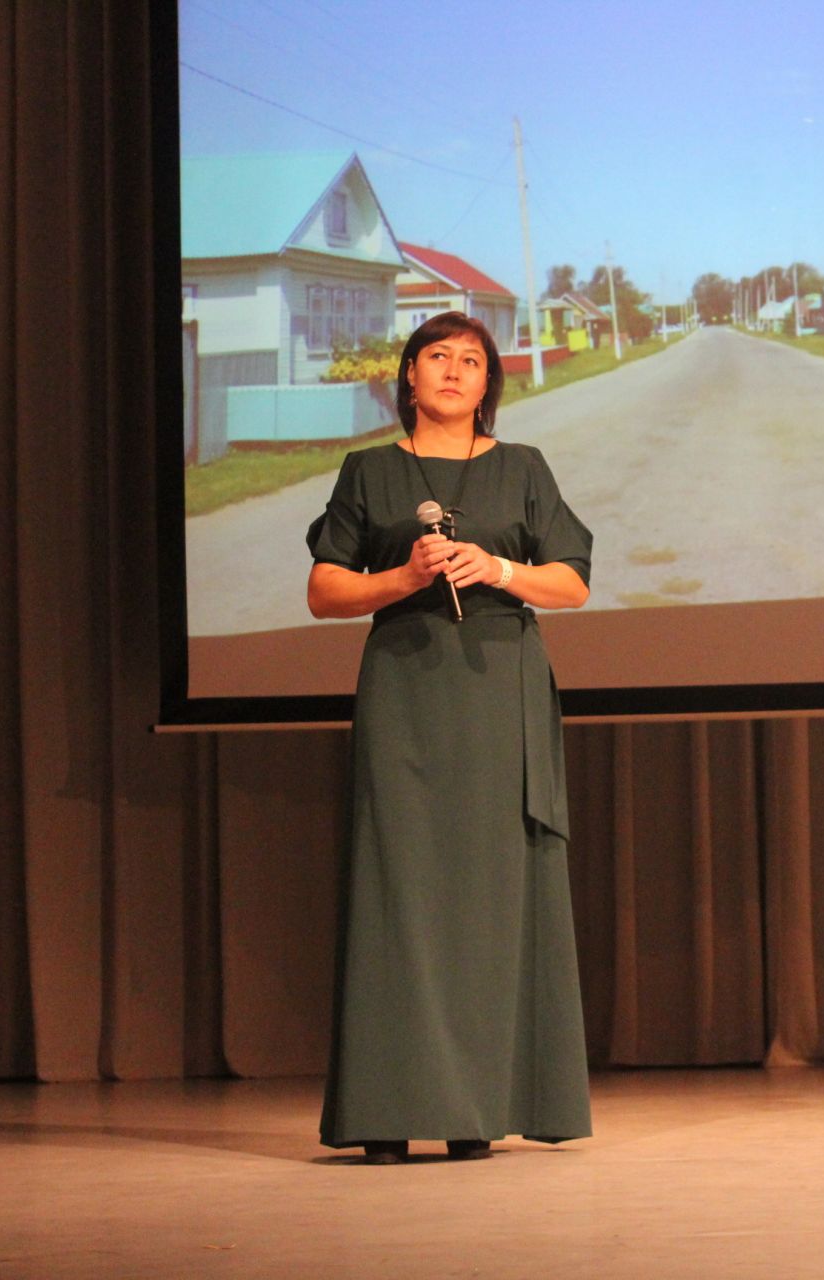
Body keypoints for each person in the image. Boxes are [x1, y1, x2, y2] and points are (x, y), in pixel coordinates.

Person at [305, 311, 594, 1164]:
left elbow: (572, 581)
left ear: (489, 384)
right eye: (439, 357)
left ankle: (475, 1111)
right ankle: (383, 1114)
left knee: (487, 904)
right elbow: (324, 589)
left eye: (473, 360)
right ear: (409, 377)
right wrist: (402, 576)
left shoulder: (523, 469)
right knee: (397, 898)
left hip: (497, 703)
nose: (456, 371)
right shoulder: (369, 472)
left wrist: (499, 568)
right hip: (405, 700)